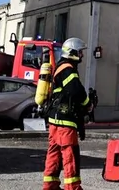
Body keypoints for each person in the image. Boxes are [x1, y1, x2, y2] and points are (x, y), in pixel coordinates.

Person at [35, 37, 90, 190]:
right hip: (65, 118)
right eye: (80, 52)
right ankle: (73, 187)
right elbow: (76, 91)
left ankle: (50, 184)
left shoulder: (61, 67)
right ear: (72, 52)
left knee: (54, 151)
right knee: (69, 152)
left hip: (55, 118)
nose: (82, 55)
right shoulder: (67, 68)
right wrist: (88, 104)